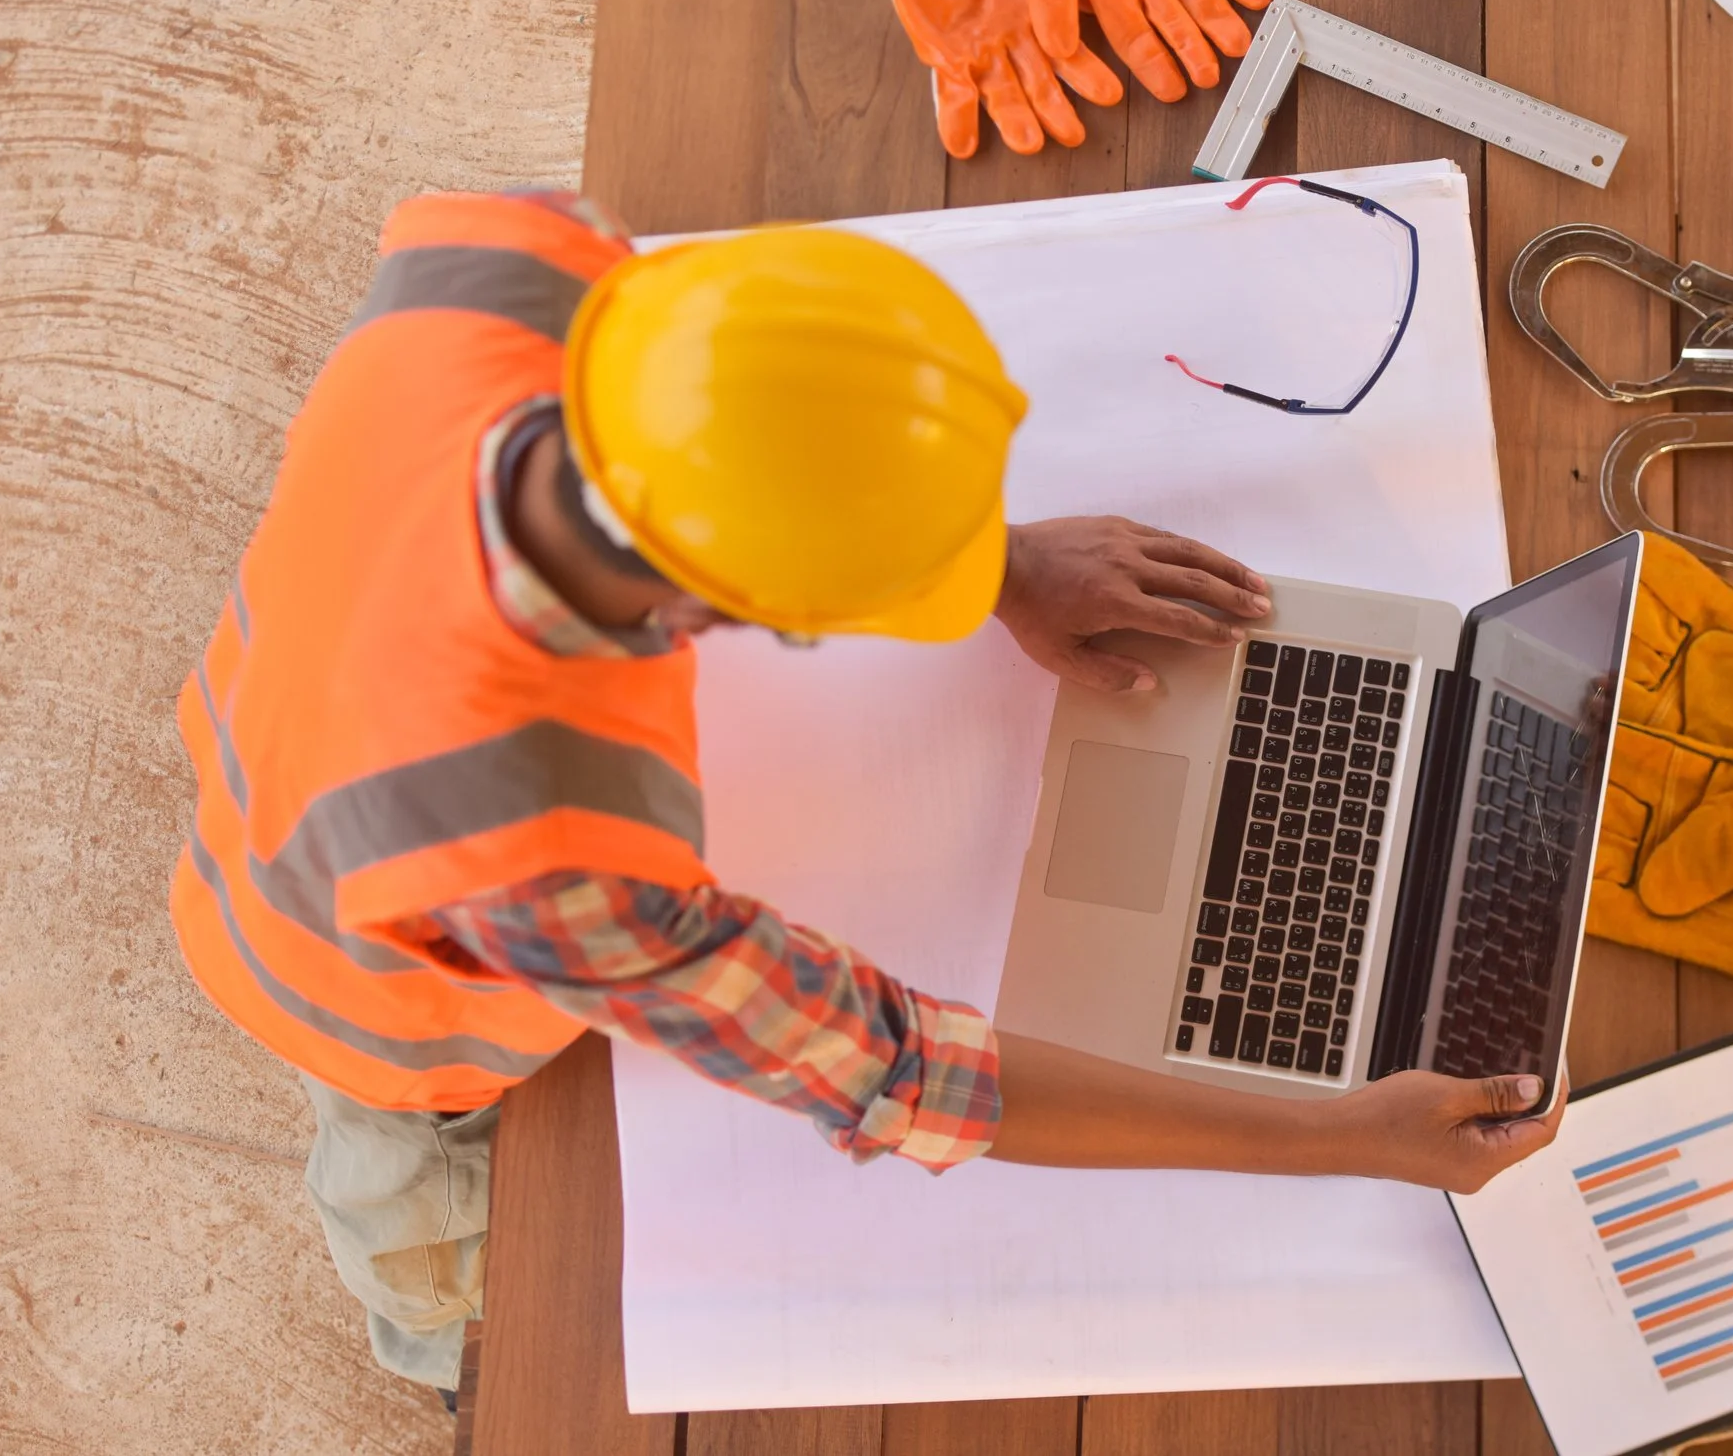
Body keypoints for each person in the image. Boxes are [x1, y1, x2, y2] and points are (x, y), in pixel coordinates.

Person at [170, 189, 1563, 1407]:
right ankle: (440, 1341)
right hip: (351, 989)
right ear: (711, 603)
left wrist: (1003, 563)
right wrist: (1345, 1135)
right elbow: (900, 1071)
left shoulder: (507, 263)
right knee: (466, 1257)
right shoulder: (540, 848)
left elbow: (761, 416)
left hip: (285, 704)